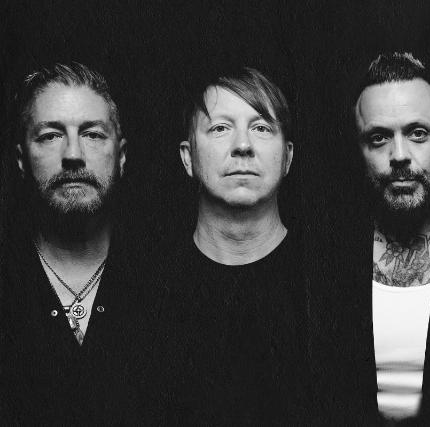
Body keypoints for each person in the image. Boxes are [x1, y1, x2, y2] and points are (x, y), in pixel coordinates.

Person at [309, 52, 430, 426]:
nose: (399, 156)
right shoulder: (323, 255)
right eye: (378, 138)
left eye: (418, 133)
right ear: (359, 148)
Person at [150, 66, 307, 426]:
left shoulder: (322, 281)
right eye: (220, 128)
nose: (242, 145)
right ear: (187, 157)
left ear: (288, 157)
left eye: (261, 128)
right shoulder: (151, 289)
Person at [0, 62, 150, 425]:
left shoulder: (168, 285)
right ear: (21, 160)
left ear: (121, 156)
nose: (72, 154)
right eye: (51, 135)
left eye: (93, 134)